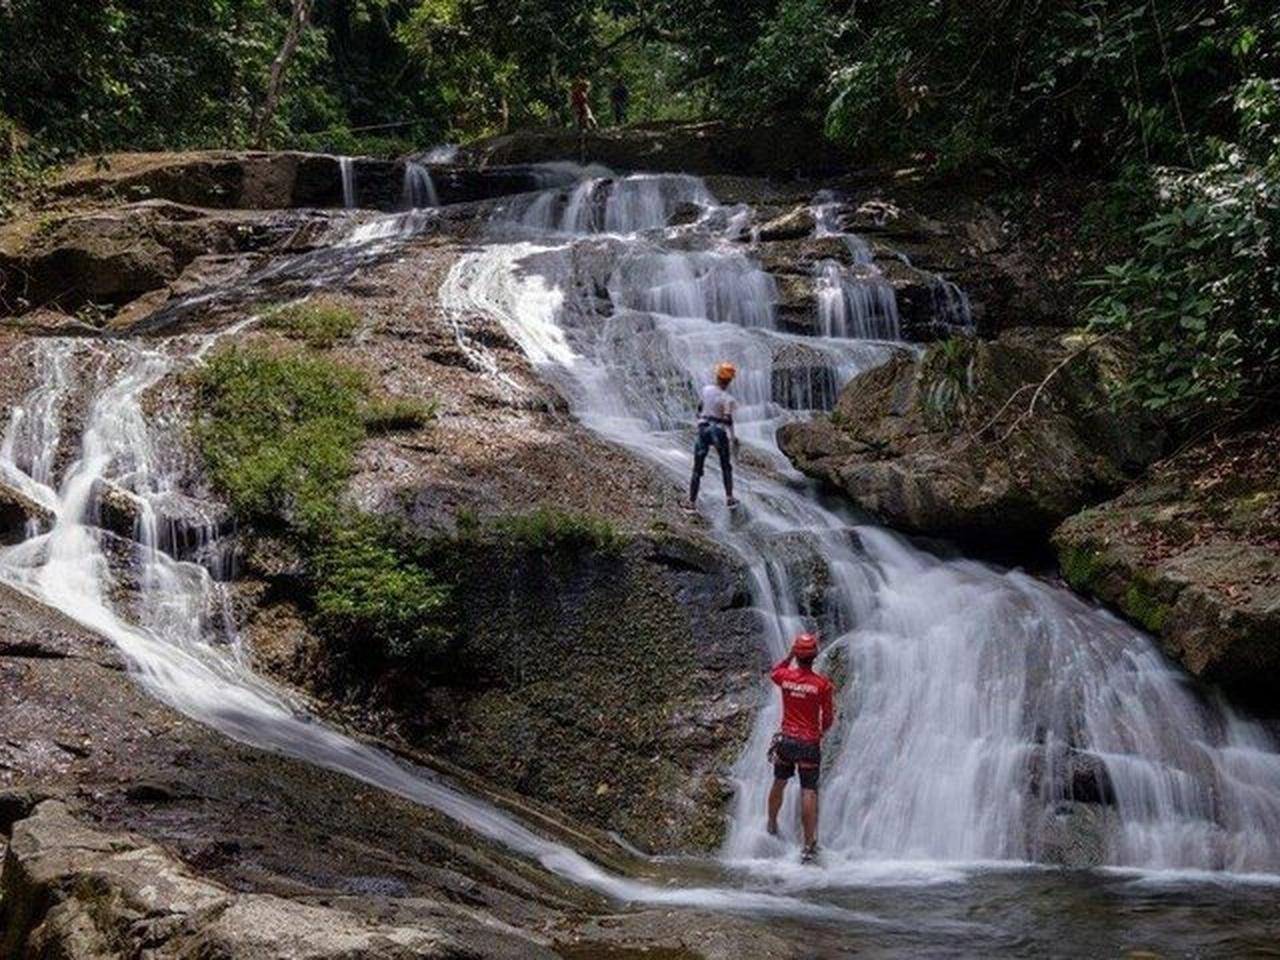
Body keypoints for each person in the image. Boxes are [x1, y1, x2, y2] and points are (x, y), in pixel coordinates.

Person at [767, 632, 835, 864]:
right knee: (808, 790)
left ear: (797, 655)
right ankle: (807, 846)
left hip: (786, 740)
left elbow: (774, 671)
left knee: (779, 781)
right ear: (815, 657)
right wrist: (820, 732)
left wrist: (789, 656)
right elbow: (827, 718)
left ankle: (771, 824)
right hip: (808, 743)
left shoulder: (785, 677)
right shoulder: (822, 685)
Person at [684, 361, 739, 513]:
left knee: (697, 468)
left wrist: (699, 418)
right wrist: (733, 438)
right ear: (729, 381)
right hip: (718, 431)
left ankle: (691, 503)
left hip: (703, 430)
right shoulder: (728, 399)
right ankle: (729, 498)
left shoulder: (706, 389)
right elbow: (728, 420)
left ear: (717, 376)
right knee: (725, 466)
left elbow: (700, 407)